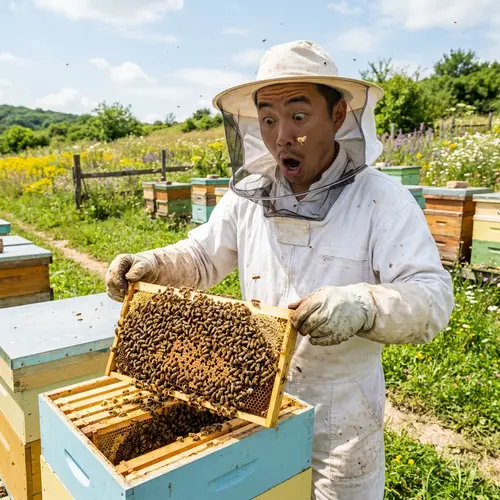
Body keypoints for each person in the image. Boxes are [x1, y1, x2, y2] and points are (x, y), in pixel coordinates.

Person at [106, 40, 454, 500]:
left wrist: (364, 304)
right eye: (268, 119)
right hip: (252, 399)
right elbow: (203, 256)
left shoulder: (381, 200)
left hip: (342, 414)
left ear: (337, 116)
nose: (281, 136)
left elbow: (431, 298)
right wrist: (155, 264)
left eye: (298, 115)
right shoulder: (249, 197)